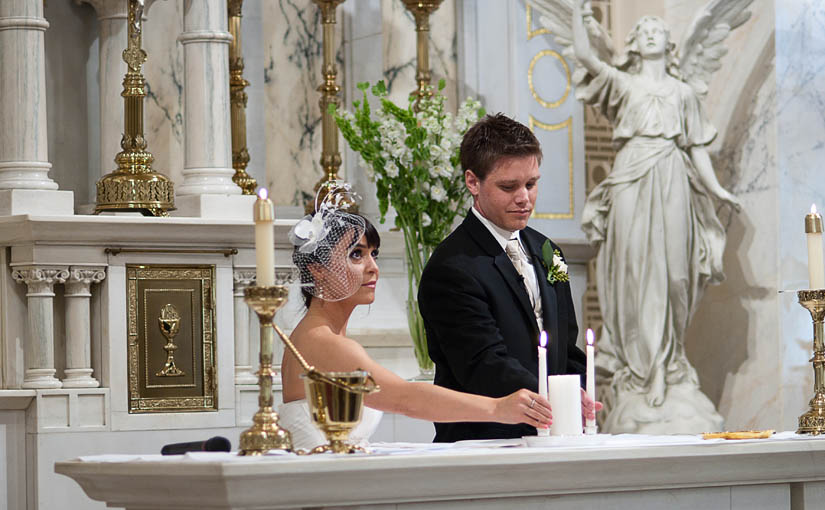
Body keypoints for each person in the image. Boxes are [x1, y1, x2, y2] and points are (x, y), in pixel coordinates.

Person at [572, 2, 740, 432]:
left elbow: (697, 148)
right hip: (631, 179)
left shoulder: (683, 94)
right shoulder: (624, 84)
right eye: (642, 29)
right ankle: (645, 374)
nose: (649, 33)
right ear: (633, 43)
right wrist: (576, 10)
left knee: (674, 277)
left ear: (669, 44)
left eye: (656, 29)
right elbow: (587, 57)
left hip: (673, 178)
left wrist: (717, 188)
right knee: (634, 273)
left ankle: (670, 360)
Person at [278, 191, 553, 451]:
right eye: (356, 254)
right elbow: (405, 398)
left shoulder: (322, 335)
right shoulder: (322, 341)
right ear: (317, 270)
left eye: (374, 253)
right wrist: (497, 409)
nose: (373, 267)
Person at [417, 114, 600, 443]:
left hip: (553, 437)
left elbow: (564, 347)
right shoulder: (452, 267)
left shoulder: (547, 250)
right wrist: (556, 397)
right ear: (473, 182)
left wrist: (579, 389)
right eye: (508, 186)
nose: (524, 198)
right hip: (483, 442)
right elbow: (483, 363)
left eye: (531, 183)